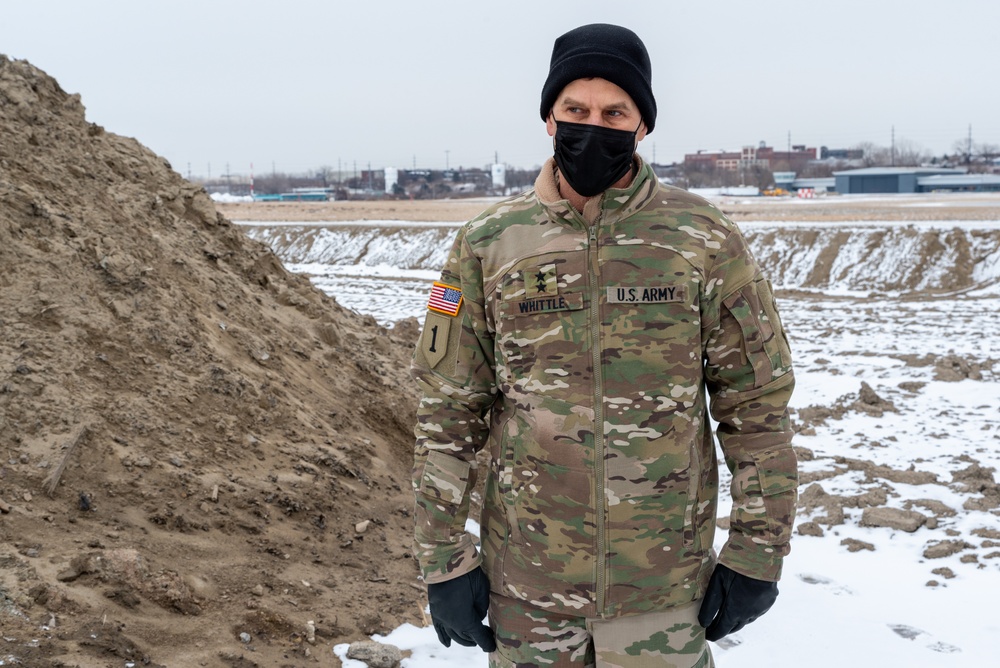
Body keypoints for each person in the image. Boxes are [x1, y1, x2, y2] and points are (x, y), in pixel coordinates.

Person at [411, 22, 797, 668]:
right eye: (576, 110)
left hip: (666, 601)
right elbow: (447, 413)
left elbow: (756, 404)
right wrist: (444, 558)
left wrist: (759, 550)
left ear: (642, 125)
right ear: (549, 119)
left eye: (615, 112)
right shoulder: (488, 245)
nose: (594, 126)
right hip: (529, 599)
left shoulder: (701, 240)